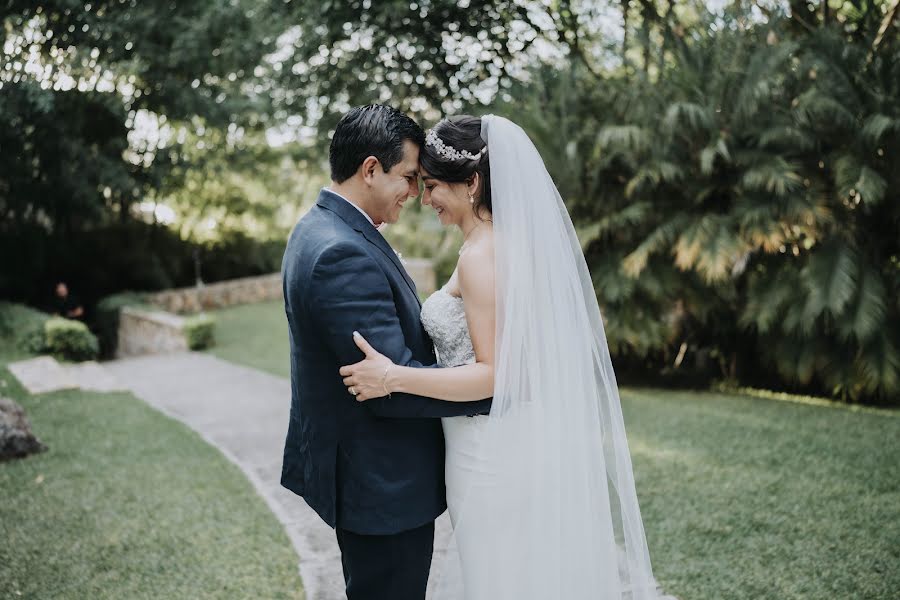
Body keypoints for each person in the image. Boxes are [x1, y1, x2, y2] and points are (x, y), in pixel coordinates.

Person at [340, 115, 663, 599]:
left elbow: (496, 374)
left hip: (487, 451)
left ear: (472, 183)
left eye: (432, 187)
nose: (425, 200)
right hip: (499, 441)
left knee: (497, 579)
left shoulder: (481, 256)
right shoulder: (501, 246)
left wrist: (393, 376)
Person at [279, 104, 491, 600]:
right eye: (410, 178)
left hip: (367, 472)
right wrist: (493, 392)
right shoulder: (340, 251)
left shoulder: (320, 228)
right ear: (370, 169)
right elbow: (386, 384)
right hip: (380, 482)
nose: (417, 195)